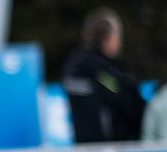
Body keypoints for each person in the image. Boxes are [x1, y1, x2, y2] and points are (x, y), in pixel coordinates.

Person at [62, 8, 145, 143]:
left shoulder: (74, 66)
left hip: (84, 147)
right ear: (108, 38)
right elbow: (124, 96)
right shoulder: (101, 73)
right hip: (111, 148)